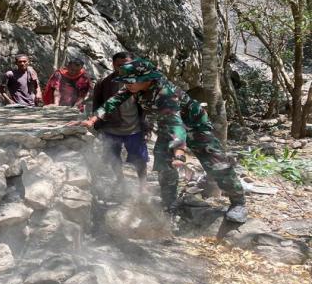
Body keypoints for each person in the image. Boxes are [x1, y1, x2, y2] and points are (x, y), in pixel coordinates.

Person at [72, 58, 248, 223]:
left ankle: (238, 203)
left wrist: (179, 153)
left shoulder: (165, 94)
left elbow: (176, 124)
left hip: (195, 127)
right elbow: (114, 101)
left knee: (217, 164)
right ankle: (169, 205)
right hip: (168, 127)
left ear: (145, 79)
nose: (126, 85)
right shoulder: (134, 86)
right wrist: (92, 120)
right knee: (164, 165)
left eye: (130, 81)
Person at [92, 52, 148, 189]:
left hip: (134, 128)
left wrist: (147, 125)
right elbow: (98, 104)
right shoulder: (104, 83)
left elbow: (147, 106)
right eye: (120, 65)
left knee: (140, 158)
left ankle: (143, 186)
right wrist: (97, 125)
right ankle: (120, 180)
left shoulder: (140, 82)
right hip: (111, 128)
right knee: (113, 157)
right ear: (113, 65)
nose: (124, 68)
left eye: (127, 65)